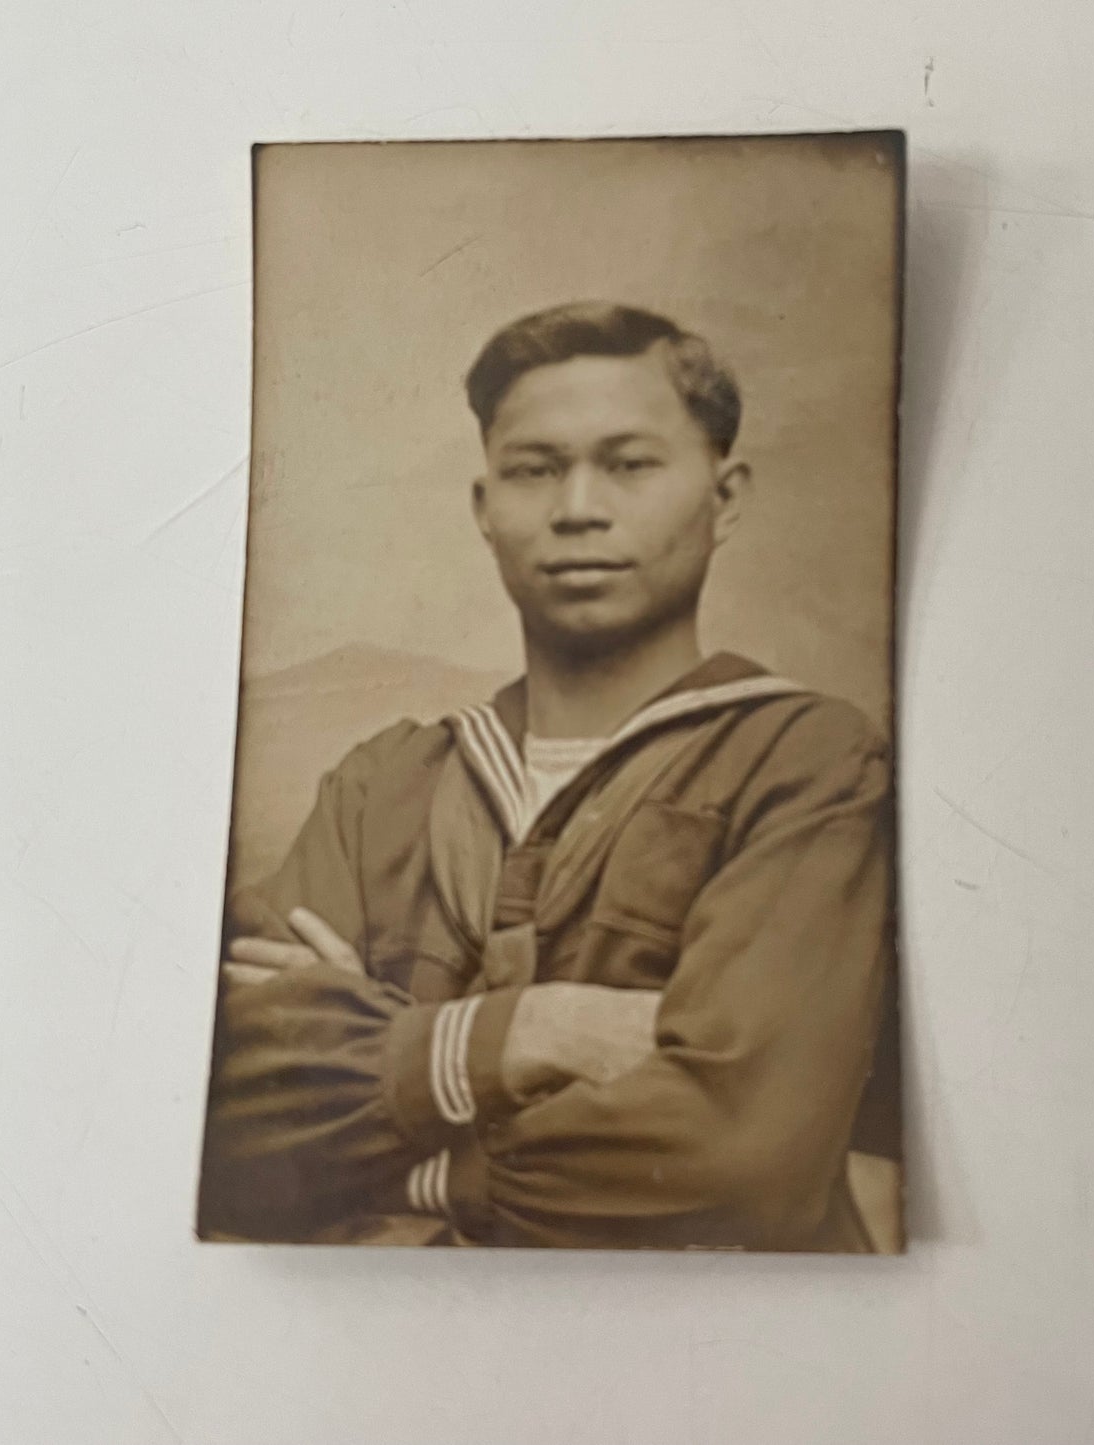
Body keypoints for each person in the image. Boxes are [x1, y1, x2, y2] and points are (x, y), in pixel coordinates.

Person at [198, 301, 897, 1251]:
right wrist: (542, 1029)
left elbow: (744, 1156)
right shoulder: (382, 788)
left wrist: (404, 1129)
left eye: (629, 464)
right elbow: (234, 1130)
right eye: (534, 470)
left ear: (724, 498)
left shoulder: (807, 765)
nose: (577, 508)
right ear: (485, 509)